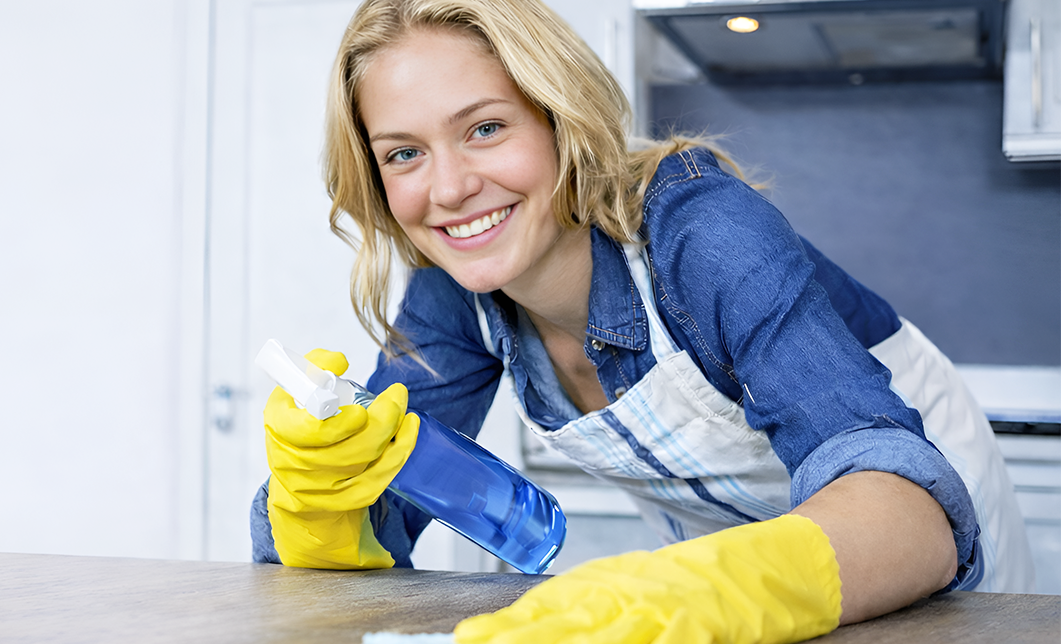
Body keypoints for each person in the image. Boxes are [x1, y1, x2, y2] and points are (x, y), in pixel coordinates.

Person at [249, 0, 1034, 640]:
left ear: (561, 118)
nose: (448, 189)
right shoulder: (452, 295)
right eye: (403, 154)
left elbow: (912, 519)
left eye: (485, 128)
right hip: (727, 567)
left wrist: (702, 594)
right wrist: (325, 499)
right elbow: (371, 546)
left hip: (895, 538)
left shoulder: (702, 230)